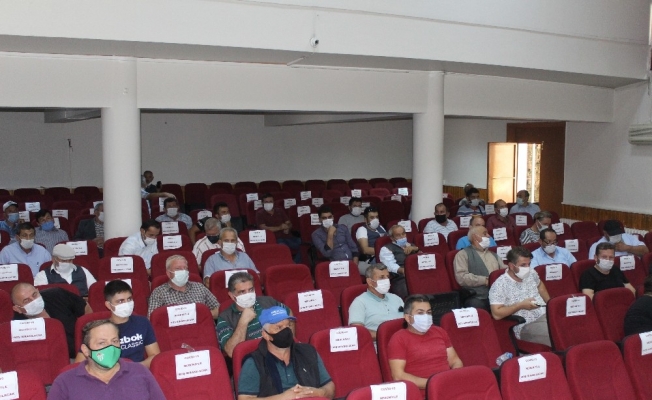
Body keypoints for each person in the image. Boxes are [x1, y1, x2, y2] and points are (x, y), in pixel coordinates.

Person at [48, 320, 166, 400]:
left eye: (114, 341)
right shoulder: (64, 382)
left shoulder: (140, 372)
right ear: (86, 350)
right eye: (102, 343)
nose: (111, 348)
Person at [237, 306, 335, 400]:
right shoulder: (254, 362)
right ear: (266, 335)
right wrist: (283, 397)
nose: (286, 330)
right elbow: (244, 399)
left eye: (288, 325)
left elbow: (330, 387)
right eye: (279, 327)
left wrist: (315, 392)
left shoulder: (308, 352)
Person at [388, 294, 463, 395]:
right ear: (408, 318)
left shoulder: (440, 332)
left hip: (449, 388)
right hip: (422, 394)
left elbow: (455, 361)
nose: (426, 316)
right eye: (420, 313)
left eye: (429, 312)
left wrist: (453, 377)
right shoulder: (398, 339)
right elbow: (398, 375)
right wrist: (434, 384)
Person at [74, 280, 160, 367]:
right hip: (107, 372)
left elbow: (155, 356)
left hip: (137, 370)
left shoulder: (143, 322)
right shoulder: (98, 329)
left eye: (129, 299)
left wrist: (133, 368)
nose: (127, 304)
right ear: (108, 305)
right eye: (120, 301)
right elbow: (78, 364)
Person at [216, 272, 292, 357]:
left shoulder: (268, 301)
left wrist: (289, 342)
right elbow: (231, 352)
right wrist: (243, 322)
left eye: (251, 290)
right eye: (242, 292)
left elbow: (289, 313)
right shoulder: (225, 317)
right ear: (232, 296)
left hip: (280, 352)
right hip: (253, 360)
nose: (248, 295)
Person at [489, 247, 552, 346]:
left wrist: (550, 304)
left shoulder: (531, 273)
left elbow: (540, 285)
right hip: (526, 324)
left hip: (545, 314)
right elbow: (496, 314)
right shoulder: (500, 285)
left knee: (571, 324)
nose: (527, 268)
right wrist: (520, 306)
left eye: (529, 264)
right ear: (511, 266)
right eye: (523, 265)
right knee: (556, 333)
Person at [11, 283, 92, 358]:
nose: (34, 301)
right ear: (17, 309)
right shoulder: (18, 327)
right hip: (53, 359)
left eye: (34, 295)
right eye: (27, 301)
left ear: (38, 291)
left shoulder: (57, 295)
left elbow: (86, 309)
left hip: (82, 350)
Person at [147, 255, 220, 319]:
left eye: (185, 268)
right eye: (178, 268)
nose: (183, 271)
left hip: (202, 327)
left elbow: (218, 309)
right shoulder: (159, 293)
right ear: (168, 273)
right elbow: (152, 318)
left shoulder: (199, 287)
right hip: (173, 330)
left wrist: (199, 315)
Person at [348, 264, 404, 340]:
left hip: (403, 341)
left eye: (387, 277)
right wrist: (386, 336)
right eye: (382, 277)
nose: (386, 280)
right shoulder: (359, 303)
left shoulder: (396, 298)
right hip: (379, 343)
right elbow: (358, 332)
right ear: (370, 282)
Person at [453, 226, 502, 310]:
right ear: (475, 237)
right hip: (477, 296)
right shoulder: (462, 254)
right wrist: (485, 280)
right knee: (476, 305)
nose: (489, 236)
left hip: (497, 293)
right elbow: (461, 277)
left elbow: (504, 271)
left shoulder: (494, 254)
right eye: (485, 234)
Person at [256, 193, 301, 262]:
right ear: (262, 203)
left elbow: (289, 223)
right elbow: (264, 228)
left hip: (288, 237)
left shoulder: (279, 211)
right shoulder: (260, 214)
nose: (268, 203)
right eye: (266, 202)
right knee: (283, 247)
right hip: (275, 239)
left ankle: (295, 263)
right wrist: (280, 227)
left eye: (270, 201)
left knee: (303, 244)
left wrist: (287, 227)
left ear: (273, 202)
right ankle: (290, 264)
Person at [379, 225, 418, 298]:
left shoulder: (412, 246)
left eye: (403, 234)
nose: (402, 237)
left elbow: (424, 259)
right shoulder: (386, 249)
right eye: (398, 235)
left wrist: (416, 249)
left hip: (417, 274)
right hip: (400, 278)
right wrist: (404, 271)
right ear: (392, 238)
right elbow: (390, 266)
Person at [355, 206, 387, 273]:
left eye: (377, 217)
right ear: (365, 219)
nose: (375, 220)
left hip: (386, 255)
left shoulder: (380, 227)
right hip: (372, 259)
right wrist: (385, 251)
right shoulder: (362, 229)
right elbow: (365, 250)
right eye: (372, 218)